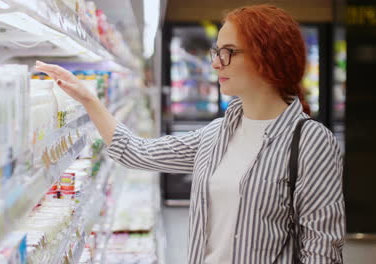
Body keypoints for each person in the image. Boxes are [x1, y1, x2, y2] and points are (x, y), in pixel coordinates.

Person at [35, 4, 345, 264]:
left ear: (268, 58)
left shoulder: (311, 142)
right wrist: (89, 99)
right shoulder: (217, 134)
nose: (214, 63)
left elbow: (321, 251)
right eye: (216, 51)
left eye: (228, 53)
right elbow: (138, 152)